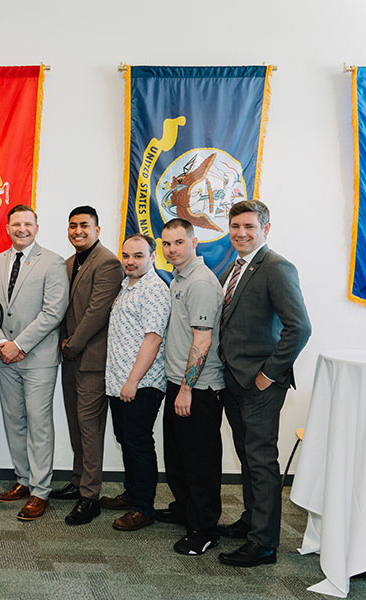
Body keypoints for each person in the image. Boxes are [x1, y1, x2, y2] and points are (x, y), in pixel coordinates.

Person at [217, 200, 311, 567]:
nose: (241, 233)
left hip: (260, 385)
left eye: (249, 227)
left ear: (265, 229)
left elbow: (299, 328)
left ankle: (264, 544)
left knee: (261, 462)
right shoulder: (235, 266)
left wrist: (269, 373)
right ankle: (251, 520)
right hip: (234, 379)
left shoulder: (276, 267)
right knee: (247, 456)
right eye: (235, 226)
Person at [0, 205, 68, 521]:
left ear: (37, 227)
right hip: (4, 355)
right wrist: (2, 343)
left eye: (28, 224)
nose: (22, 229)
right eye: (16, 224)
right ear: (7, 227)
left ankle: (40, 491)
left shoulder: (53, 262)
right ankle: (23, 479)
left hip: (38, 358)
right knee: (14, 420)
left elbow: (53, 311)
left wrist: (19, 345)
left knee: (39, 423)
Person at [54, 206, 123, 526]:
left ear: (97, 229)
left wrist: (72, 344)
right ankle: (78, 479)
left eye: (84, 225)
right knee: (75, 424)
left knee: (90, 428)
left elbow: (97, 312)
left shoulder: (107, 262)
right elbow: (62, 310)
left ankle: (90, 496)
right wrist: (63, 344)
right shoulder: (69, 263)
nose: (77, 230)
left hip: (92, 359)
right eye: (72, 225)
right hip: (70, 358)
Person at [160, 218, 225, 556]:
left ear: (194, 242)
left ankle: (204, 529)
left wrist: (186, 388)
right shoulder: (179, 277)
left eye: (178, 243)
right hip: (178, 383)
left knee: (199, 462)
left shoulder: (199, 282)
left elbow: (202, 341)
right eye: (166, 244)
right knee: (178, 457)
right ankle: (187, 511)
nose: (172, 250)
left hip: (198, 389)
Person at [100, 234, 171, 531]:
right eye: (126, 256)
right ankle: (132, 494)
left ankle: (143, 508)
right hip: (119, 381)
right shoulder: (127, 285)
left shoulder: (153, 289)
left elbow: (153, 339)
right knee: (126, 439)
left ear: (152, 257)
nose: (130, 262)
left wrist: (132, 381)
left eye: (138, 256)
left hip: (141, 383)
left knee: (139, 442)